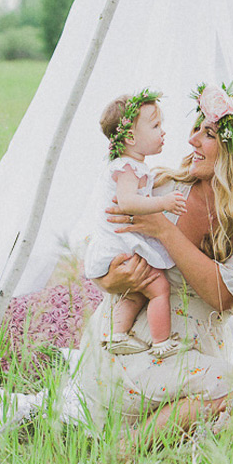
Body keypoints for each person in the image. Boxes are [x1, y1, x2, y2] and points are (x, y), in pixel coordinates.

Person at [74, 84, 233, 438]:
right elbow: (100, 241)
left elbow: (224, 297)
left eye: (209, 133)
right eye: (196, 128)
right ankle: (128, 446)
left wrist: (166, 234)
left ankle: (129, 448)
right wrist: (108, 280)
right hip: (129, 346)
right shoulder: (159, 188)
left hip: (194, 352)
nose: (193, 140)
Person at [82, 90, 189, 359]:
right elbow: (127, 202)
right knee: (159, 288)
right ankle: (162, 342)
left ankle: (117, 334)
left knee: (139, 290)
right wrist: (163, 204)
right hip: (118, 245)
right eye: (155, 126)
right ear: (130, 137)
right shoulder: (128, 168)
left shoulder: (129, 165)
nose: (163, 132)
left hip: (118, 244)